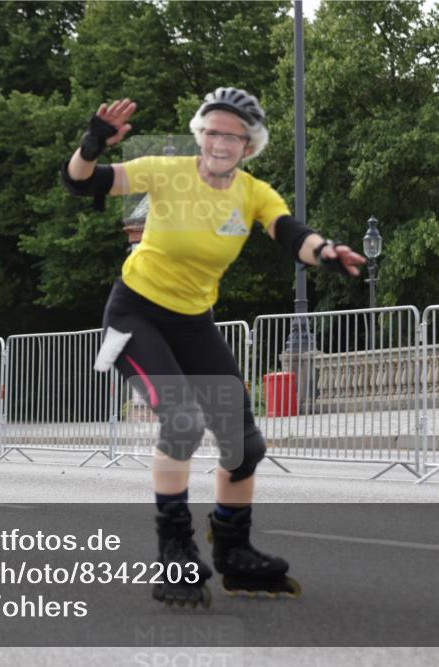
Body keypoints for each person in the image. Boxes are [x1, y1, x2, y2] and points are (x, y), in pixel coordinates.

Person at [62, 88, 366, 608]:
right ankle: (175, 547)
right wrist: (92, 143)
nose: (222, 141)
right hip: (135, 314)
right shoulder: (165, 170)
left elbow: (291, 233)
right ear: (200, 134)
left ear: (249, 146)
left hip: (194, 324)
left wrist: (328, 252)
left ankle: (233, 548)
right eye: (214, 130)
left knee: (244, 444)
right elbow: (78, 181)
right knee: (180, 421)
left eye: (235, 135)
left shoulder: (252, 193)